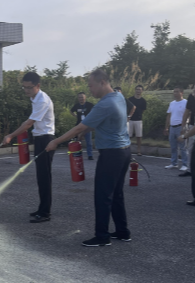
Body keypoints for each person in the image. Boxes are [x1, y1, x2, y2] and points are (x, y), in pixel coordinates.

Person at [46, 69, 131, 247]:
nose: (90, 90)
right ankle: (123, 232)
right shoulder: (118, 97)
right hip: (124, 151)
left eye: (91, 86)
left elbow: (78, 127)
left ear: (102, 82)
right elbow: (105, 121)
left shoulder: (104, 105)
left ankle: (102, 237)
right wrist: (86, 130)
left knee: (103, 195)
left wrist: (55, 142)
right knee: (116, 194)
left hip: (111, 154)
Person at [2, 72, 55, 223]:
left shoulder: (42, 100)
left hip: (46, 140)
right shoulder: (35, 98)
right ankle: (42, 208)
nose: (26, 91)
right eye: (24, 87)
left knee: (44, 177)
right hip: (40, 138)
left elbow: (28, 124)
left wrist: (11, 135)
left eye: (29, 88)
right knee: (41, 176)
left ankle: (45, 213)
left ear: (37, 86)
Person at [164, 86, 188, 171]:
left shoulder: (186, 102)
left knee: (183, 147)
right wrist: (166, 127)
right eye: (174, 92)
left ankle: (185, 164)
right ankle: (174, 163)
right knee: (173, 147)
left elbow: (189, 114)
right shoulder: (172, 103)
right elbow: (169, 115)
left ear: (182, 93)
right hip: (172, 127)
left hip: (180, 127)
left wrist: (184, 127)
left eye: (177, 92)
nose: (175, 94)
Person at [70, 92, 94, 160]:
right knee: (77, 140)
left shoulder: (89, 105)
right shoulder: (77, 106)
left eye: (82, 97)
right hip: (79, 125)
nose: (81, 99)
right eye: (80, 97)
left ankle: (90, 155)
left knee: (88, 141)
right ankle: (77, 154)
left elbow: (95, 110)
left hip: (87, 125)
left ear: (85, 97)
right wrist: (75, 116)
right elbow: (71, 111)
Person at [128, 85, 147, 155]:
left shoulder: (143, 101)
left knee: (139, 136)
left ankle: (138, 151)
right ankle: (128, 150)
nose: (138, 91)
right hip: (130, 119)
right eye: (137, 89)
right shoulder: (130, 99)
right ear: (135, 90)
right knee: (128, 136)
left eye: (140, 90)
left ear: (142, 91)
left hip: (138, 120)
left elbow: (143, 110)